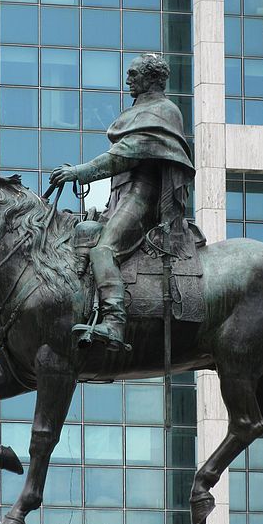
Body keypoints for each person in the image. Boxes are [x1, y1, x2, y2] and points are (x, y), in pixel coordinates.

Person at [49, 53, 195, 351]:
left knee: (104, 251)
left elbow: (124, 155)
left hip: (143, 196)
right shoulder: (140, 110)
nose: (128, 79)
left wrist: (79, 172)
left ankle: (114, 322)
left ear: (151, 78)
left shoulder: (163, 111)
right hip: (122, 195)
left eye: (133, 74)